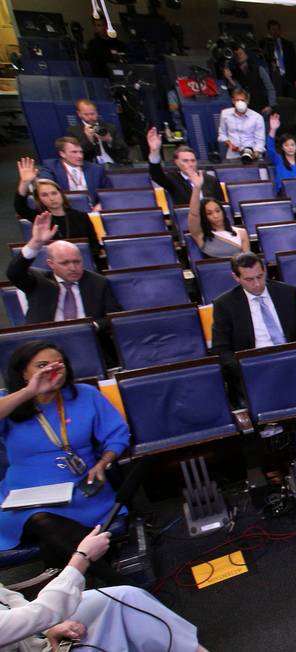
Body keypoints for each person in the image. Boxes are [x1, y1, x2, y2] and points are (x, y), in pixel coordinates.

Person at [0, 342, 129, 587]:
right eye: (41, 366)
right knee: (41, 518)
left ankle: (67, 587)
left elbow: (117, 435)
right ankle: (114, 581)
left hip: (80, 489)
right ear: (23, 373)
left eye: (58, 364)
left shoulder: (85, 395)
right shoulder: (9, 402)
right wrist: (30, 391)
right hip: (23, 497)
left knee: (50, 532)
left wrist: (104, 462)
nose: (52, 370)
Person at [0, 526, 207, 651]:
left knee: (125, 597)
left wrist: (48, 629)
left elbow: (13, 601)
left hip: (33, 640)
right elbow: (42, 612)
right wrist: (82, 558)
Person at [5, 214, 120, 327]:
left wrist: (92, 326)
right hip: (45, 341)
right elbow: (14, 273)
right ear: (51, 264)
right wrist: (36, 243)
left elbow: (114, 317)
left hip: (86, 340)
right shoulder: (38, 280)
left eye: (77, 262)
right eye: (65, 263)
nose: (73, 268)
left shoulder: (98, 282)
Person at [210, 252, 296, 359]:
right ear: (236, 277)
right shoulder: (224, 304)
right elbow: (221, 349)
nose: (257, 284)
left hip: (294, 357)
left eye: (260, 276)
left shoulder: (288, 293)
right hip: (255, 363)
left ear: (264, 270)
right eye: (249, 279)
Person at [14, 158, 103, 263]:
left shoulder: (81, 216)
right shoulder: (40, 218)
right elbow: (20, 207)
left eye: (54, 193)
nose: (51, 198)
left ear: (61, 194)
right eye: (44, 195)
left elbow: (94, 246)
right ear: (39, 199)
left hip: (81, 262)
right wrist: (24, 182)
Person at [146, 127, 225, 205]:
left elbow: (222, 205)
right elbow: (156, 175)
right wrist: (154, 151)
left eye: (193, 160)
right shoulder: (173, 180)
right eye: (185, 161)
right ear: (176, 162)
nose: (190, 164)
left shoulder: (211, 180)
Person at [187, 171, 250, 258]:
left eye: (218, 211)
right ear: (204, 217)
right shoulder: (200, 235)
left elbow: (248, 261)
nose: (215, 216)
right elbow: (193, 214)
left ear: (223, 211)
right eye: (209, 213)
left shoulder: (242, 233)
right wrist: (196, 188)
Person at [37, 137, 111, 208]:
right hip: (66, 210)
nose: (80, 156)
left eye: (81, 152)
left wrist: (100, 205)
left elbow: (109, 193)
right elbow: (45, 183)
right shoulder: (51, 167)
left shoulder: (96, 169)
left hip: (93, 209)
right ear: (62, 154)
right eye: (74, 152)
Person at [65, 100, 127, 166]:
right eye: (86, 114)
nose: (90, 117)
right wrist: (89, 140)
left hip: (113, 163)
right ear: (79, 114)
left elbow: (125, 151)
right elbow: (74, 155)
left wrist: (110, 140)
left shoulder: (109, 127)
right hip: (89, 165)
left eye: (92, 114)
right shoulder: (73, 131)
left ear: (96, 112)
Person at [222, 45, 276, 116]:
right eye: (236, 54)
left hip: (262, 108)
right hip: (245, 111)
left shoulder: (259, 69)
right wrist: (229, 78)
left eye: (240, 53)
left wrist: (271, 106)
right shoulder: (235, 72)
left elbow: (270, 88)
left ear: (246, 54)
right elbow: (238, 90)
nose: (239, 56)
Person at [266, 113, 296, 194]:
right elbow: (270, 149)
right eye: (286, 145)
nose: (290, 148)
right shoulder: (278, 160)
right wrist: (273, 130)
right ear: (282, 147)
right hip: (284, 195)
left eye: (292, 145)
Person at [217, 90, 266, 162]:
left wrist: (255, 153)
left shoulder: (257, 117)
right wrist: (229, 144)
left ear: (247, 101)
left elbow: (260, 140)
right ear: (233, 101)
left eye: (242, 100)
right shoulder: (225, 114)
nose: (240, 102)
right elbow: (222, 134)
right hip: (232, 155)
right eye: (237, 100)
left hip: (251, 154)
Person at [262, 20, 296, 100]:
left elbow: (295, 63)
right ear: (269, 30)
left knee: (291, 100)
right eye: (273, 29)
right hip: (274, 78)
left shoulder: (288, 44)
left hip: (289, 78)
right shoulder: (264, 44)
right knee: (278, 101)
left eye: (277, 29)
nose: (275, 32)